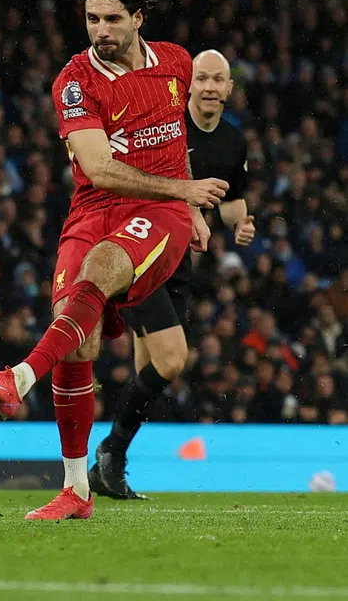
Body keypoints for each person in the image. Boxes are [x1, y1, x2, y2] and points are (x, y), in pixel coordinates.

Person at [0, 0, 229, 519]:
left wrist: (185, 202)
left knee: (101, 268)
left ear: (138, 18)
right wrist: (187, 187)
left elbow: (176, 139)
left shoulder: (176, 64)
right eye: (90, 19)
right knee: (74, 335)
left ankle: (17, 377)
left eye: (111, 19)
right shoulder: (74, 82)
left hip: (157, 213)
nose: (100, 31)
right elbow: (99, 169)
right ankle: (77, 490)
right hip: (92, 207)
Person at [90, 49, 254, 499]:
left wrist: (241, 223)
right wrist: (186, 207)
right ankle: (107, 453)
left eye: (218, 80)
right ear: (188, 83)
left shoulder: (233, 142)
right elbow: (146, 180)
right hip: (143, 248)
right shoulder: (164, 127)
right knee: (171, 359)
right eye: (201, 78)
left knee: (149, 373)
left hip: (179, 260)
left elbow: (230, 201)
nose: (209, 87)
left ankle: (107, 467)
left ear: (229, 89)